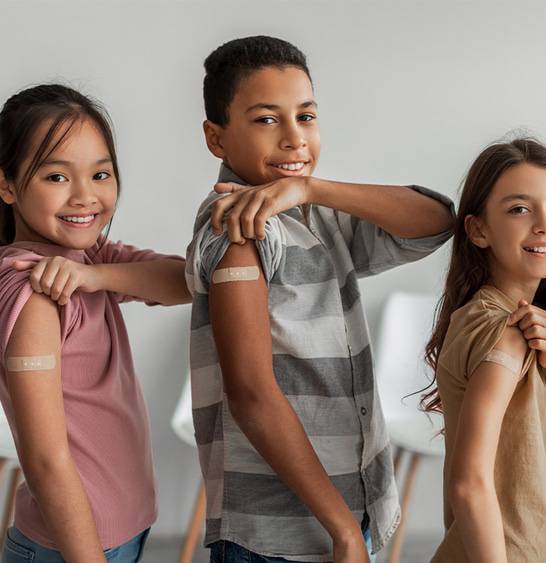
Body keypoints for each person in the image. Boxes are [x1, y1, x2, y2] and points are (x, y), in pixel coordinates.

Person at [184, 35, 455, 562]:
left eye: (305, 116)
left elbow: (437, 220)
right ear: (217, 139)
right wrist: (343, 531)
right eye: (266, 119)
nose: (293, 139)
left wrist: (312, 189)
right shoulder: (240, 232)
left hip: (349, 513)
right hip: (282, 536)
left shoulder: (317, 218)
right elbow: (252, 395)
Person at [0, 84, 190, 562]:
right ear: (6, 183)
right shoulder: (37, 293)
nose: (85, 196)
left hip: (116, 536)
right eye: (56, 176)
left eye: (101, 174)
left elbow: (187, 280)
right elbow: (47, 462)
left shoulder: (84, 261)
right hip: (78, 547)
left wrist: (95, 275)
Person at [422, 138, 546, 562]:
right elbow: (468, 484)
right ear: (478, 230)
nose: (544, 224)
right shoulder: (501, 330)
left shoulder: (538, 326)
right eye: (520, 209)